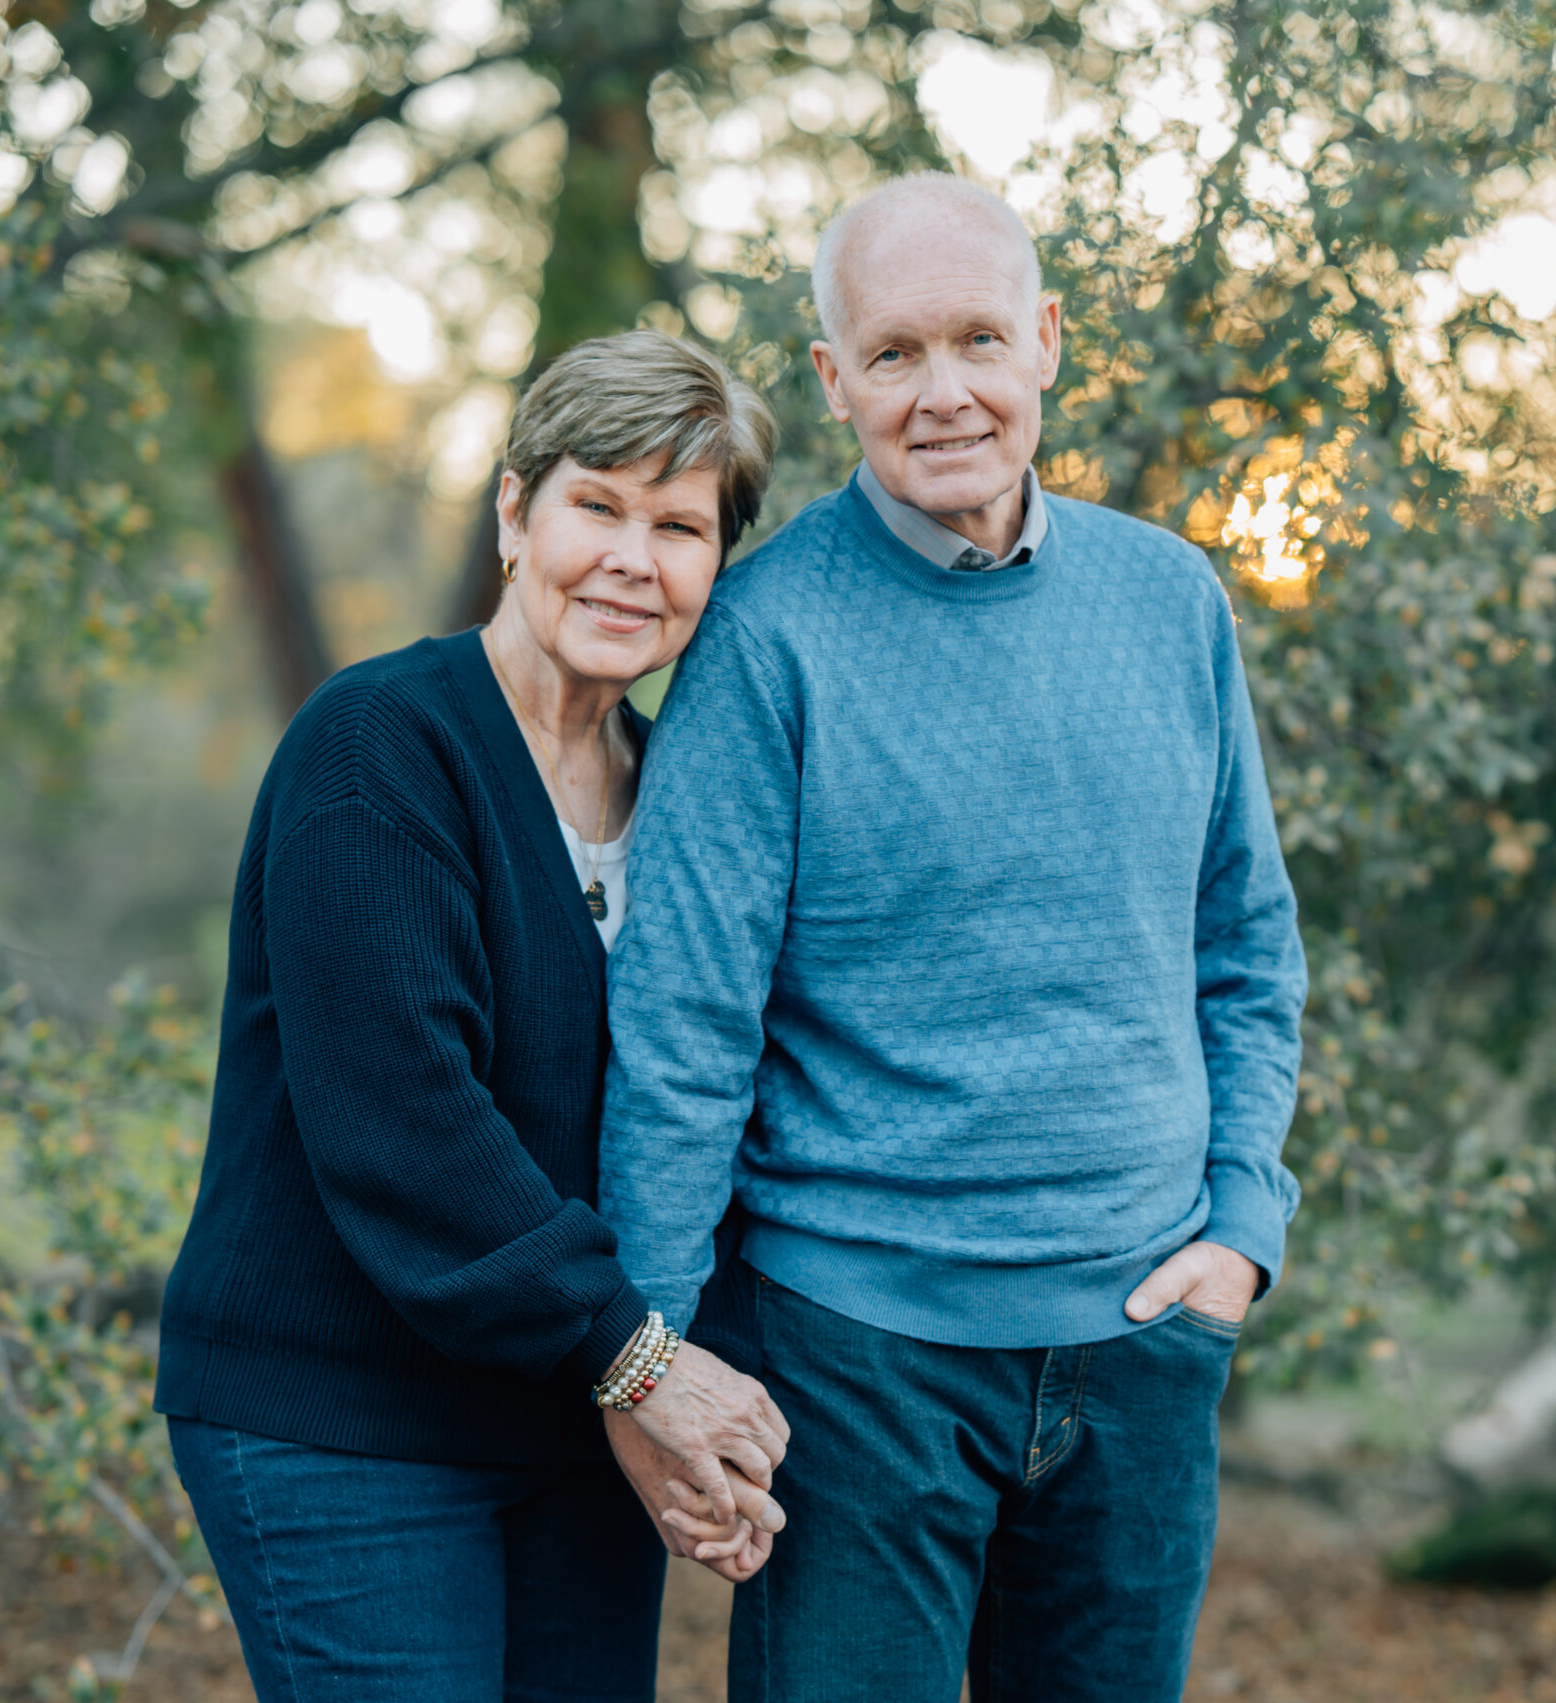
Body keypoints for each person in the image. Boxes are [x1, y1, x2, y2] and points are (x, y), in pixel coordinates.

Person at [601, 174, 1309, 1702]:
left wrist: (1242, 1233)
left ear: (1048, 342)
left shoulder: (1171, 600)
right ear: (834, 380)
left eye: (979, 340)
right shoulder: (763, 639)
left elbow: (1243, 942)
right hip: (856, 1368)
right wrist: (650, 1362)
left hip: (1142, 1355)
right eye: (897, 353)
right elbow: (683, 1027)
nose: (944, 395)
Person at [157, 328, 787, 1703]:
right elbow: (405, 1124)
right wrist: (643, 1365)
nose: (634, 557)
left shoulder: (688, 792)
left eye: (680, 526)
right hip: (344, 1418)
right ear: (516, 511)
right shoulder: (380, 748)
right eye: (598, 505)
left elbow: (709, 1102)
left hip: (571, 1419)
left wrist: (681, 1383)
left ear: (715, 572)